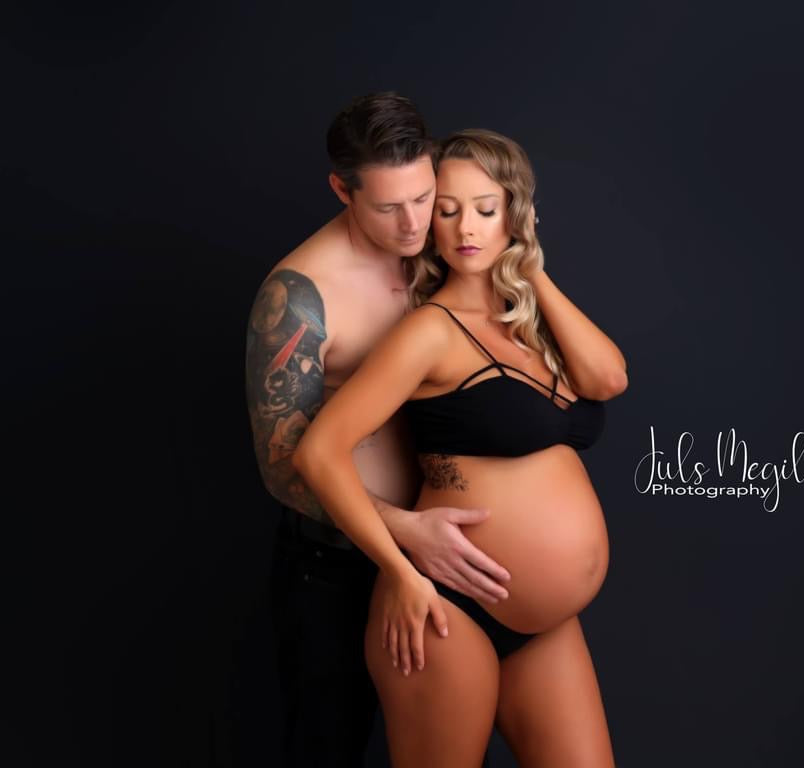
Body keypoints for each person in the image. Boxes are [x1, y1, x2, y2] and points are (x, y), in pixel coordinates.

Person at [295, 129, 629, 767]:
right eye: (446, 211)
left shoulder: (530, 326)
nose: (465, 228)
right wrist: (400, 570)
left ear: (516, 214)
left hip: (543, 623)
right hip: (447, 608)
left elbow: (608, 378)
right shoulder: (429, 332)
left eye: (486, 208)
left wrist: (530, 270)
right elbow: (318, 453)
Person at [246, 95, 511, 767]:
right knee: (328, 748)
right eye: (390, 207)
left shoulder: (443, 251)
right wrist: (403, 532)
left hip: (441, 553)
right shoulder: (300, 296)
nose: (413, 222)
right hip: (335, 564)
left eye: (423, 197)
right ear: (343, 190)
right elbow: (281, 466)